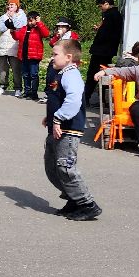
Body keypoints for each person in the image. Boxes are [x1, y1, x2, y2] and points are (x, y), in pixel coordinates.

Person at [43, 39, 100, 221]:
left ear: (68, 57)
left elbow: (73, 101)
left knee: (65, 167)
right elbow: (57, 98)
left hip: (68, 129)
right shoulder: (60, 73)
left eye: (55, 54)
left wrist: (58, 118)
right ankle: (73, 199)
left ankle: (87, 204)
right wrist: (50, 117)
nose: (52, 58)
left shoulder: (71, 75)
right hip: (57, 127)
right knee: (52, 167)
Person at [86, 0, 124, 101]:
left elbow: (105, 33)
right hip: (108, 50)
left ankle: (86, 96)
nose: (100, 8)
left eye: (100, 6)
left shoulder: (110, 15)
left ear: (106, 3)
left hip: (102, 50)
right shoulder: (115, 14)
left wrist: (99, 33)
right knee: (104, 73)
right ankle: (104, 99)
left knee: (93, 73)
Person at [16, 12, 51, 100]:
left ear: (36, 20)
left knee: (33, 75)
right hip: (24, 55)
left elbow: (46, 34)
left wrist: (39, 23)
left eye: (32, 21)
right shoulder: (24, 28)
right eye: (28, 20)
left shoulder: (38, 29)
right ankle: (27, 92)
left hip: (34, 56)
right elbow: (17, 36)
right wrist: (12, 31)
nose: (30, 22)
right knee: (25, 74)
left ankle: (34, 93)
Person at [0, 0, 26, 96]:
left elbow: (19, 26)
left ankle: (18, 88)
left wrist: (13, 18)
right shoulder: (3, 16)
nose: (10, 6)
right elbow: (1, 28)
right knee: (3, 68)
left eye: (13, 5)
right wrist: (8, 21)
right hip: (4, 45)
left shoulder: (22, 15)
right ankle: (2, 86)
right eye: (9, 5)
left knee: (16, 68)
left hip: (15, 44)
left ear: (17, 6)